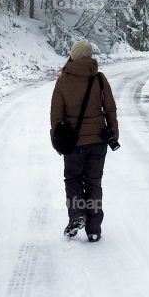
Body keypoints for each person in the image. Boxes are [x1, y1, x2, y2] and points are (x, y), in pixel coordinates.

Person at [50, 39, 118, 242]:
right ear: (89, 56)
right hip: (98, 141)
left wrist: (57, 140)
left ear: (73, 55)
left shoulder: (63, 80)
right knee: (94, 183)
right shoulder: (99, 79)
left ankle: (77, 215)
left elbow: (56, 116)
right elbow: (110, 108)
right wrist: (113, 132)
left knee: (73, 180)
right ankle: (94, 228)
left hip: (73, 143)